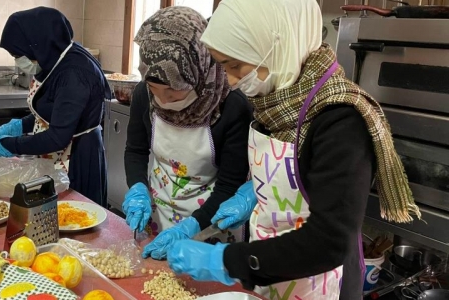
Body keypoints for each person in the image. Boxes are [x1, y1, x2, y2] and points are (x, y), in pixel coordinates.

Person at [166, 0, 421, 299]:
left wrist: (224, 260)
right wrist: (254, 194)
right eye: (224, 67)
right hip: (268, 277)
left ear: (277, 45)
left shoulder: (341, 119)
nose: (232, 82)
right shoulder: (275, 100)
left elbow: (329, 242)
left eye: (236, 66)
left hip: (317, 284)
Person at [122, 7, 253, 260]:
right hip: (157, 216)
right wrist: (137, 186)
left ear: (198, 72)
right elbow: (136, 150)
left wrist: (191, 227)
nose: (162, 100)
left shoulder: (231, 106)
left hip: (210, 225)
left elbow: (229, 186)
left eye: (172, 91)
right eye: (154, 88)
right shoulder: (143, 95)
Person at [0, 7, 112, 207]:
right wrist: (20, 125)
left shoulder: (75, 73)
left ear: (37, 44)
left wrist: (9, 145)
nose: (19, 61)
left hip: (77, 157)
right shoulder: (54, 60)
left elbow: (57, 137)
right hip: (58, 153)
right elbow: (53, 112)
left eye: (20, 55)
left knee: (74, 216)